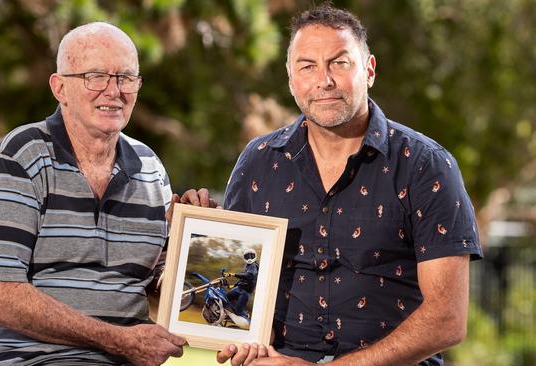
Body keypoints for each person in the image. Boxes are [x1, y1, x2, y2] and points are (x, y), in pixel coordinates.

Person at [178, 3, 483, 365]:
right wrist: (198, 231)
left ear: (369, 70)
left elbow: (447, 321)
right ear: (291, 79)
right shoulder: (258, 161)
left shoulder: (426, 166)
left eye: (340, 63)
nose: (324, 80)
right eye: (308, 66)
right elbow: (251, 292)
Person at [0, 22, 186, 366]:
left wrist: (194, 235)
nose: (113, 91)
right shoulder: (21, 156)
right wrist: (121, 341)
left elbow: (159, 289)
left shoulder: (149, 167)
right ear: (60, 87)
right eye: (95, 76)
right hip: (21, 357)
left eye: (125, 78)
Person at [225, 248, 260, 318]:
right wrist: (233, 286)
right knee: (227, 297)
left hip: (245, 292)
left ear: (255, 256)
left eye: (251, 256)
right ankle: (230, 313)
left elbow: (249, 275)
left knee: (239, 312)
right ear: (244, 258)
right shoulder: (248, 265)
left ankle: (245, 316)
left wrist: (233, 274)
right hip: (239, 288)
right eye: (247, 256)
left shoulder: (254, 266)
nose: (249, 258)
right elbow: (243, 277)